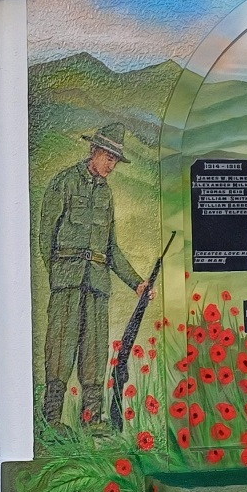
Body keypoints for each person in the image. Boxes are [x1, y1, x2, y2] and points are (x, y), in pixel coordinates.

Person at [37, 123, 151, 431]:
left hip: (98, 284)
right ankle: (51, 419)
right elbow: (45, 237)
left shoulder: (106, 194)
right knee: (60, 348)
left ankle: (91, 421)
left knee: (95, 351)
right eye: (108, 157)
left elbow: (111, 247)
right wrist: (61, 274)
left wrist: (137, 282)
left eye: (115, 159)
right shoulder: (64, 182)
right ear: (94, 152)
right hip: (67, 282)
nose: (111, 165)